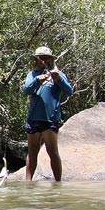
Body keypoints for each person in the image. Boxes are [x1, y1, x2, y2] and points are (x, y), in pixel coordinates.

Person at [23, 46, 73, 181]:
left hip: (50, 119)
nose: (43, 60)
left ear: (50, 59)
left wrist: (58, 79)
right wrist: (37, 80)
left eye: (45, 58)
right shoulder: (32, 74)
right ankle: (28, 183)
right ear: (36, 59)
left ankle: (58, 183)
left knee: (52, 151)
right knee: (32, 151)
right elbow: (27, 90)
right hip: (33, 118)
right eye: (40, 58)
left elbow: (69, 91)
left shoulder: (58, 74)